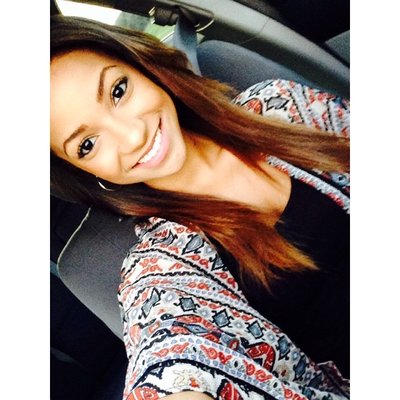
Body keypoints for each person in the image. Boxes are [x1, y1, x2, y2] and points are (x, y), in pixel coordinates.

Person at [50, 15, 350, 400]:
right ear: (81, 172)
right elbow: (169, 357)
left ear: (141, 65)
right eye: (88, 145)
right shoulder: (161, 268)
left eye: (118, 91)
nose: (133, 135)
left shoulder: (279, 104)